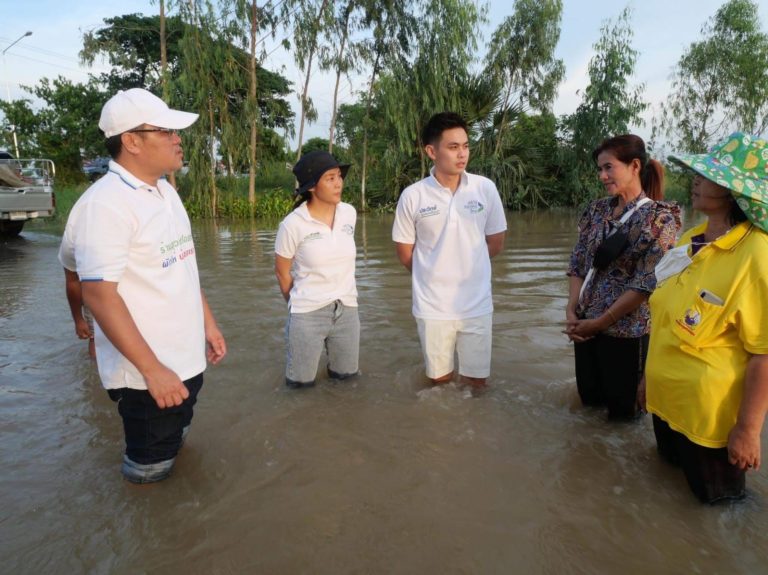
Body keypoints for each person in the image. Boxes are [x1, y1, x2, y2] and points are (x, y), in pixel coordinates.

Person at [58, 88, 227, 484]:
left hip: (183, 362)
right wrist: (152, 371)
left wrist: (209, 324)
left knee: (175, 443)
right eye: (166, 131)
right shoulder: (106, 205)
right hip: (147, 377)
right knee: (148, 473)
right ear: (131, 141)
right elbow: (98, 295)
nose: (177, 138)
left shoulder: (165, 191)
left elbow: (184, 264)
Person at [641, 132, 768, 504]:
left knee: (716, 510)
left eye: (708, 176)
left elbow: (763, 353)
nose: (696, 180)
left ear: (733, 192)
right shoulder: (690, 241)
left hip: (707, 420)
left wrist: (747, 430)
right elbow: (662, 318)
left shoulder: (756, 255)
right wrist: (647, 381)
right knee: (666, 493)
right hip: (665, 405)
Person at [565, 135, 680, 420]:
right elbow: (579, 262)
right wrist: (572, 306)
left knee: (623, 417)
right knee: (588, 405)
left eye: (609, 168)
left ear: (635, 166)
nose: (602, 176)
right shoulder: (596, 210)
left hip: (627, 331)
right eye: (599, 169)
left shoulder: (660, 219)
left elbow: (646, 282)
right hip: (584, 324)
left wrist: (602, 322)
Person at [392, 112, 507, 389]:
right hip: (433, 306)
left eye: (465, 146)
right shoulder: (413, 196)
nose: (462, 154)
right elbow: (405, 252)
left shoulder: (484, 188)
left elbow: (495, 242)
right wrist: (433, 271)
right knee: (439, 384)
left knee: (477, 382)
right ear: (431, 151)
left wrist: (467, 265)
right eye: (453, 147)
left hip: (477, 303)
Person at [274, 150, 359, 389]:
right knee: (300, 387)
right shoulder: (293, 224)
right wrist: (299, 306)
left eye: (339, 176)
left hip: (347, 310)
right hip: (307, 313)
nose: (338, 183)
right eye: (330, 178)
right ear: (312, 187)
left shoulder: (349, 214)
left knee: (347, 382)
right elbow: (282, 272)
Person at [63, 268, 96, 359]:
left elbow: (72, 281)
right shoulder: (73, 254)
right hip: (95, 296)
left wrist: (78, 319)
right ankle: (94, 369)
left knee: (95, 337)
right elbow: (72, 281)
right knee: (95, 337)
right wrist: (78, 320)